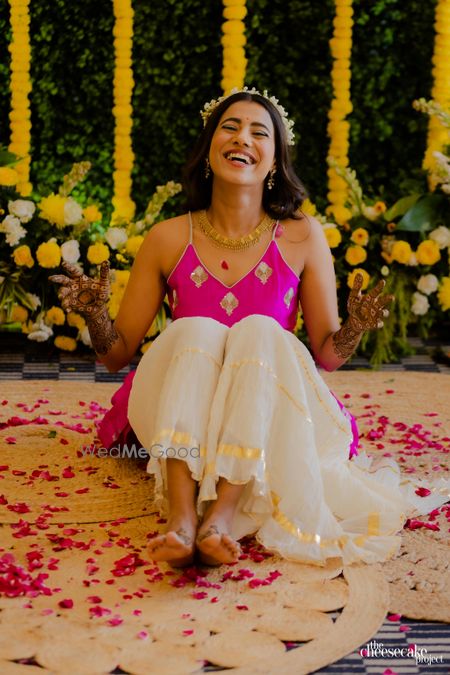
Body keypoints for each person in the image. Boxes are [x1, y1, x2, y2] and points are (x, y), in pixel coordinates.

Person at [50, 88, 449, 569]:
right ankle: (180, 519)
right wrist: (95, 315)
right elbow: (117, 356)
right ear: (209, 147)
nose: (243, 138)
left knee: (260, 328)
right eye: (230, 127)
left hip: (265, 407)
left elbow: (327, 354)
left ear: (275, 160)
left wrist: (355, 327)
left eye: (260, 132)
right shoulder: (169, 237)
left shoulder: (303, 235)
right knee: (197, 328)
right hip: (185, 404)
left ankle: (221, 515)